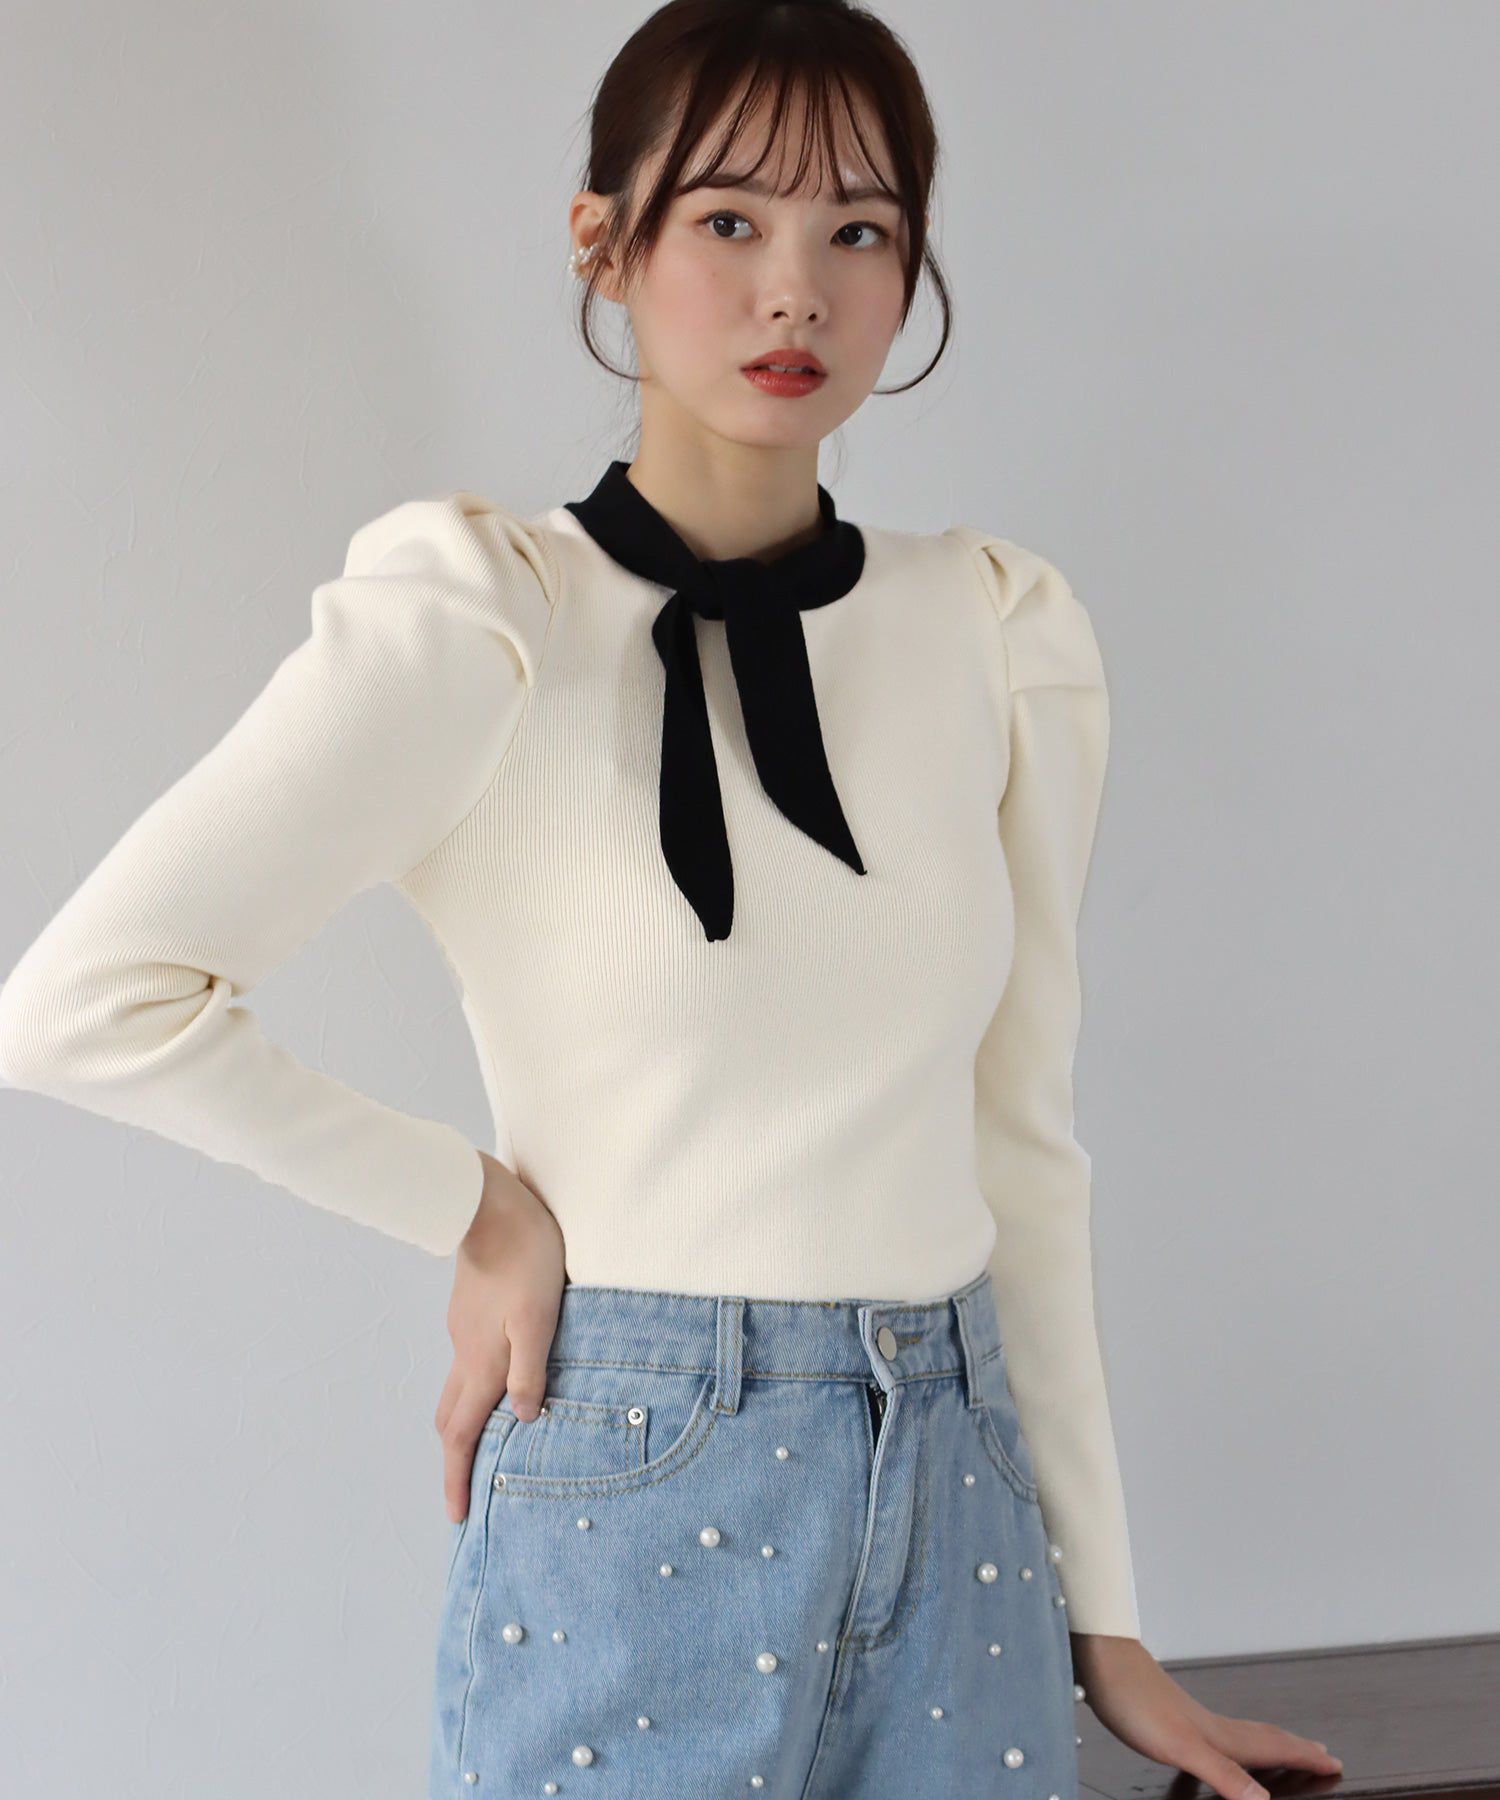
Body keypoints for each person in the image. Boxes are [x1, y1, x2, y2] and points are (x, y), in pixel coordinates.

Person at [0, 2, 1343, 1795]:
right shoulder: (487, 619)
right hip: (639, 1483)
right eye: (729, 220)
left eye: (857, 230)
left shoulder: (994, 633)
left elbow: (1022, 1145)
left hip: (965, 1505)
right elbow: (89, 1001)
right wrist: (477, 1208)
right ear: (604, 241)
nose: (798, 292)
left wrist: (1104, 1625)